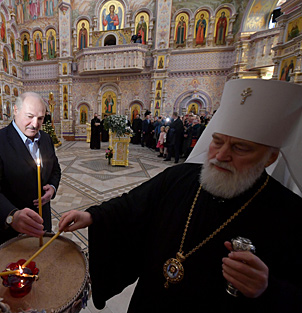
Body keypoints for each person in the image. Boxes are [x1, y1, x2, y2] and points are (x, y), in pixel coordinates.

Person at [59, 79, 302, 313]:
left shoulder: (290, 214)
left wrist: (268, 289)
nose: (221, 155)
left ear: (270, 157)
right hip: (150, 301)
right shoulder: (179, 177)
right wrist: (93, 215)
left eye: (240, 148)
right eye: (217, 142)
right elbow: (132, 204)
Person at [0, 92, 61, 247]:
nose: (35, 124)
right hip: (9, 231)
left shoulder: (46, 139)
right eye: (29, 116)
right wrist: (11, 216)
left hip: (42, 222)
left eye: (40, 118)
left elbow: (55, 169)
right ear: (15, 110)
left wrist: (52, 188)